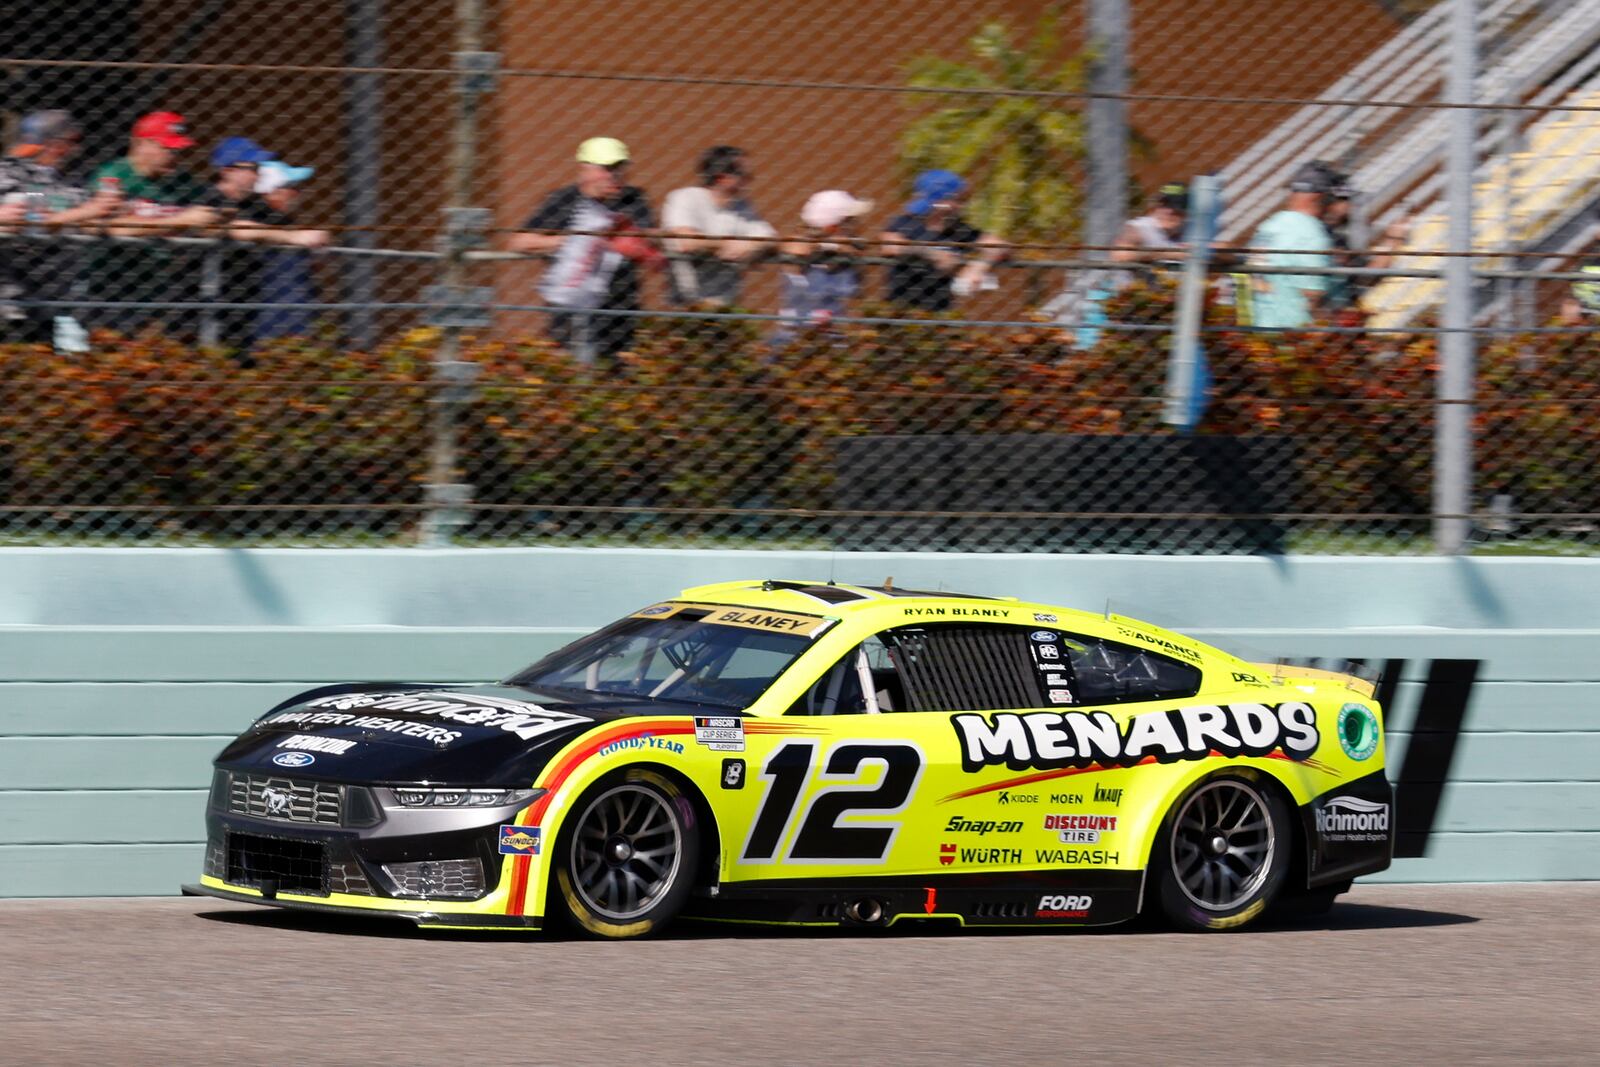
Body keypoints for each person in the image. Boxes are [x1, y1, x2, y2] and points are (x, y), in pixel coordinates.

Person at [508, 137, 660, 366]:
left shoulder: (634, 199)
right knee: (570, 375)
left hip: (619, 311)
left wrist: (616, 239)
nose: (614, 175)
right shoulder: (564, 200)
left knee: (617, 380)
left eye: (619, 169)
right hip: (571, 310)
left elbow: (646, 239)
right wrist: (570, 242)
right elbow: (519, 242)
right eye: (607, 169)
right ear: (585, 169)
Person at [88, 111, 218, 337]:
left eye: (178, 150)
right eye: (167, 148)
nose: (174, 156)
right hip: (112, 288)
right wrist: (181, 221)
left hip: (162, 289)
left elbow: (212, 212)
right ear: (141, 143)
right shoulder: (113, 175)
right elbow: (110, 225)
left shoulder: (183, 182)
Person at [0, 110, 122, 348]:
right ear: (52, 143)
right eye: (69, 143)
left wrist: (102, 208)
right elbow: (28, 218)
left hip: (46, 300)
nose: (73, 151)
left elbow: (62, 210)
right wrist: (86, 212)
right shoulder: (9, 172)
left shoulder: (60, 180)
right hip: (10, 297)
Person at [197, 138, 328, 351]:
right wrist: (293, 238)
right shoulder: (208, 198)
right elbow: (232, 227)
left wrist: (308, 237)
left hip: (247, 307)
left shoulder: (254, 205)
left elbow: (275, 228)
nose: (257, 174)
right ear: (227, 170)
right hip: (212, 305)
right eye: (252, 168)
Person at [661, 145, 776, 308]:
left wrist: (748, 246)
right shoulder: (685, 198)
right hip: (687, 305)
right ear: (722, 178)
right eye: (744, 175)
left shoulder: (742, 206)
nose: (751, 179)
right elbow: (685, 241)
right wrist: (727, 244)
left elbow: (770, 236)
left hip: (725, 305)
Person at [880, 169, 1006, 311]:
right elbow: (889, 245)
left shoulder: (958, 229)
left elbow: (998, 246)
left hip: (940, 309)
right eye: (957, 200)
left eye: (961, 201)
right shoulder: (906, 223)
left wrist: (977, 268)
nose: (960, 206)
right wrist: (931, 254)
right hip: (900, 308)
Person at [774, 189, 873, 345]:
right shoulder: (799, 247)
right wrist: (827, 245)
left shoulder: (846, 254)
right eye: (848, 221)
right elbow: (795, 249)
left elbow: (858, 291)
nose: (854, 226)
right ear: (831, 227)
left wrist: (838, 247)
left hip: (832, 334)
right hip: (796, 336)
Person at [1244, 161, 1336, 330]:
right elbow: (1312, 294)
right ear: (1319, 197)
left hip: (1257, 325)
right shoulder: (1311, 233)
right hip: (1291, 333)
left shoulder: (1270, 225)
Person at [253, 160, 321, 341]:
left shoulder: (285, 222)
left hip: (294, 315)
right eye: (291, 187)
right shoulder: (259, 219)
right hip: (269, 321)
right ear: (272, 192)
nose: (297, 193)